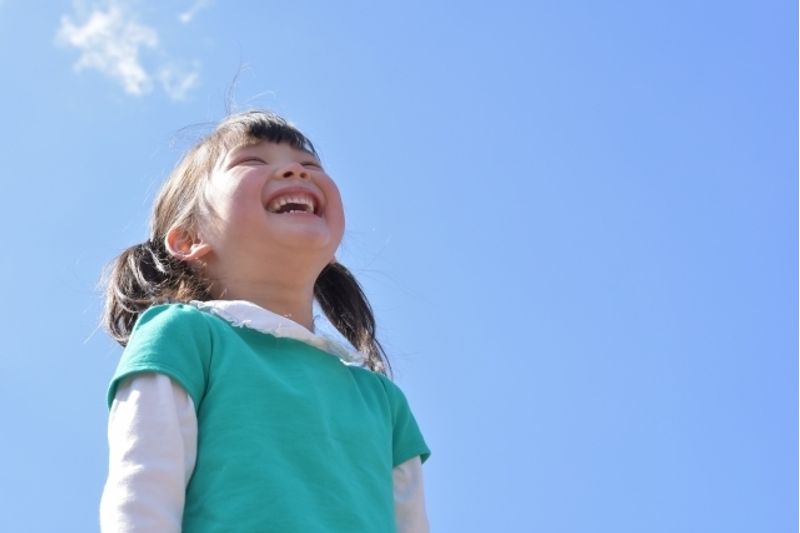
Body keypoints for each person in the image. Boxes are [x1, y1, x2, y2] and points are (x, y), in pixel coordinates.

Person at [99, 110, 431, 532]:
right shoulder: (183, 335)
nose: (296, 170)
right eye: (252, 161)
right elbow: (142, 493)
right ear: (189, 238)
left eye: (310, 165)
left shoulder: (383, 400)